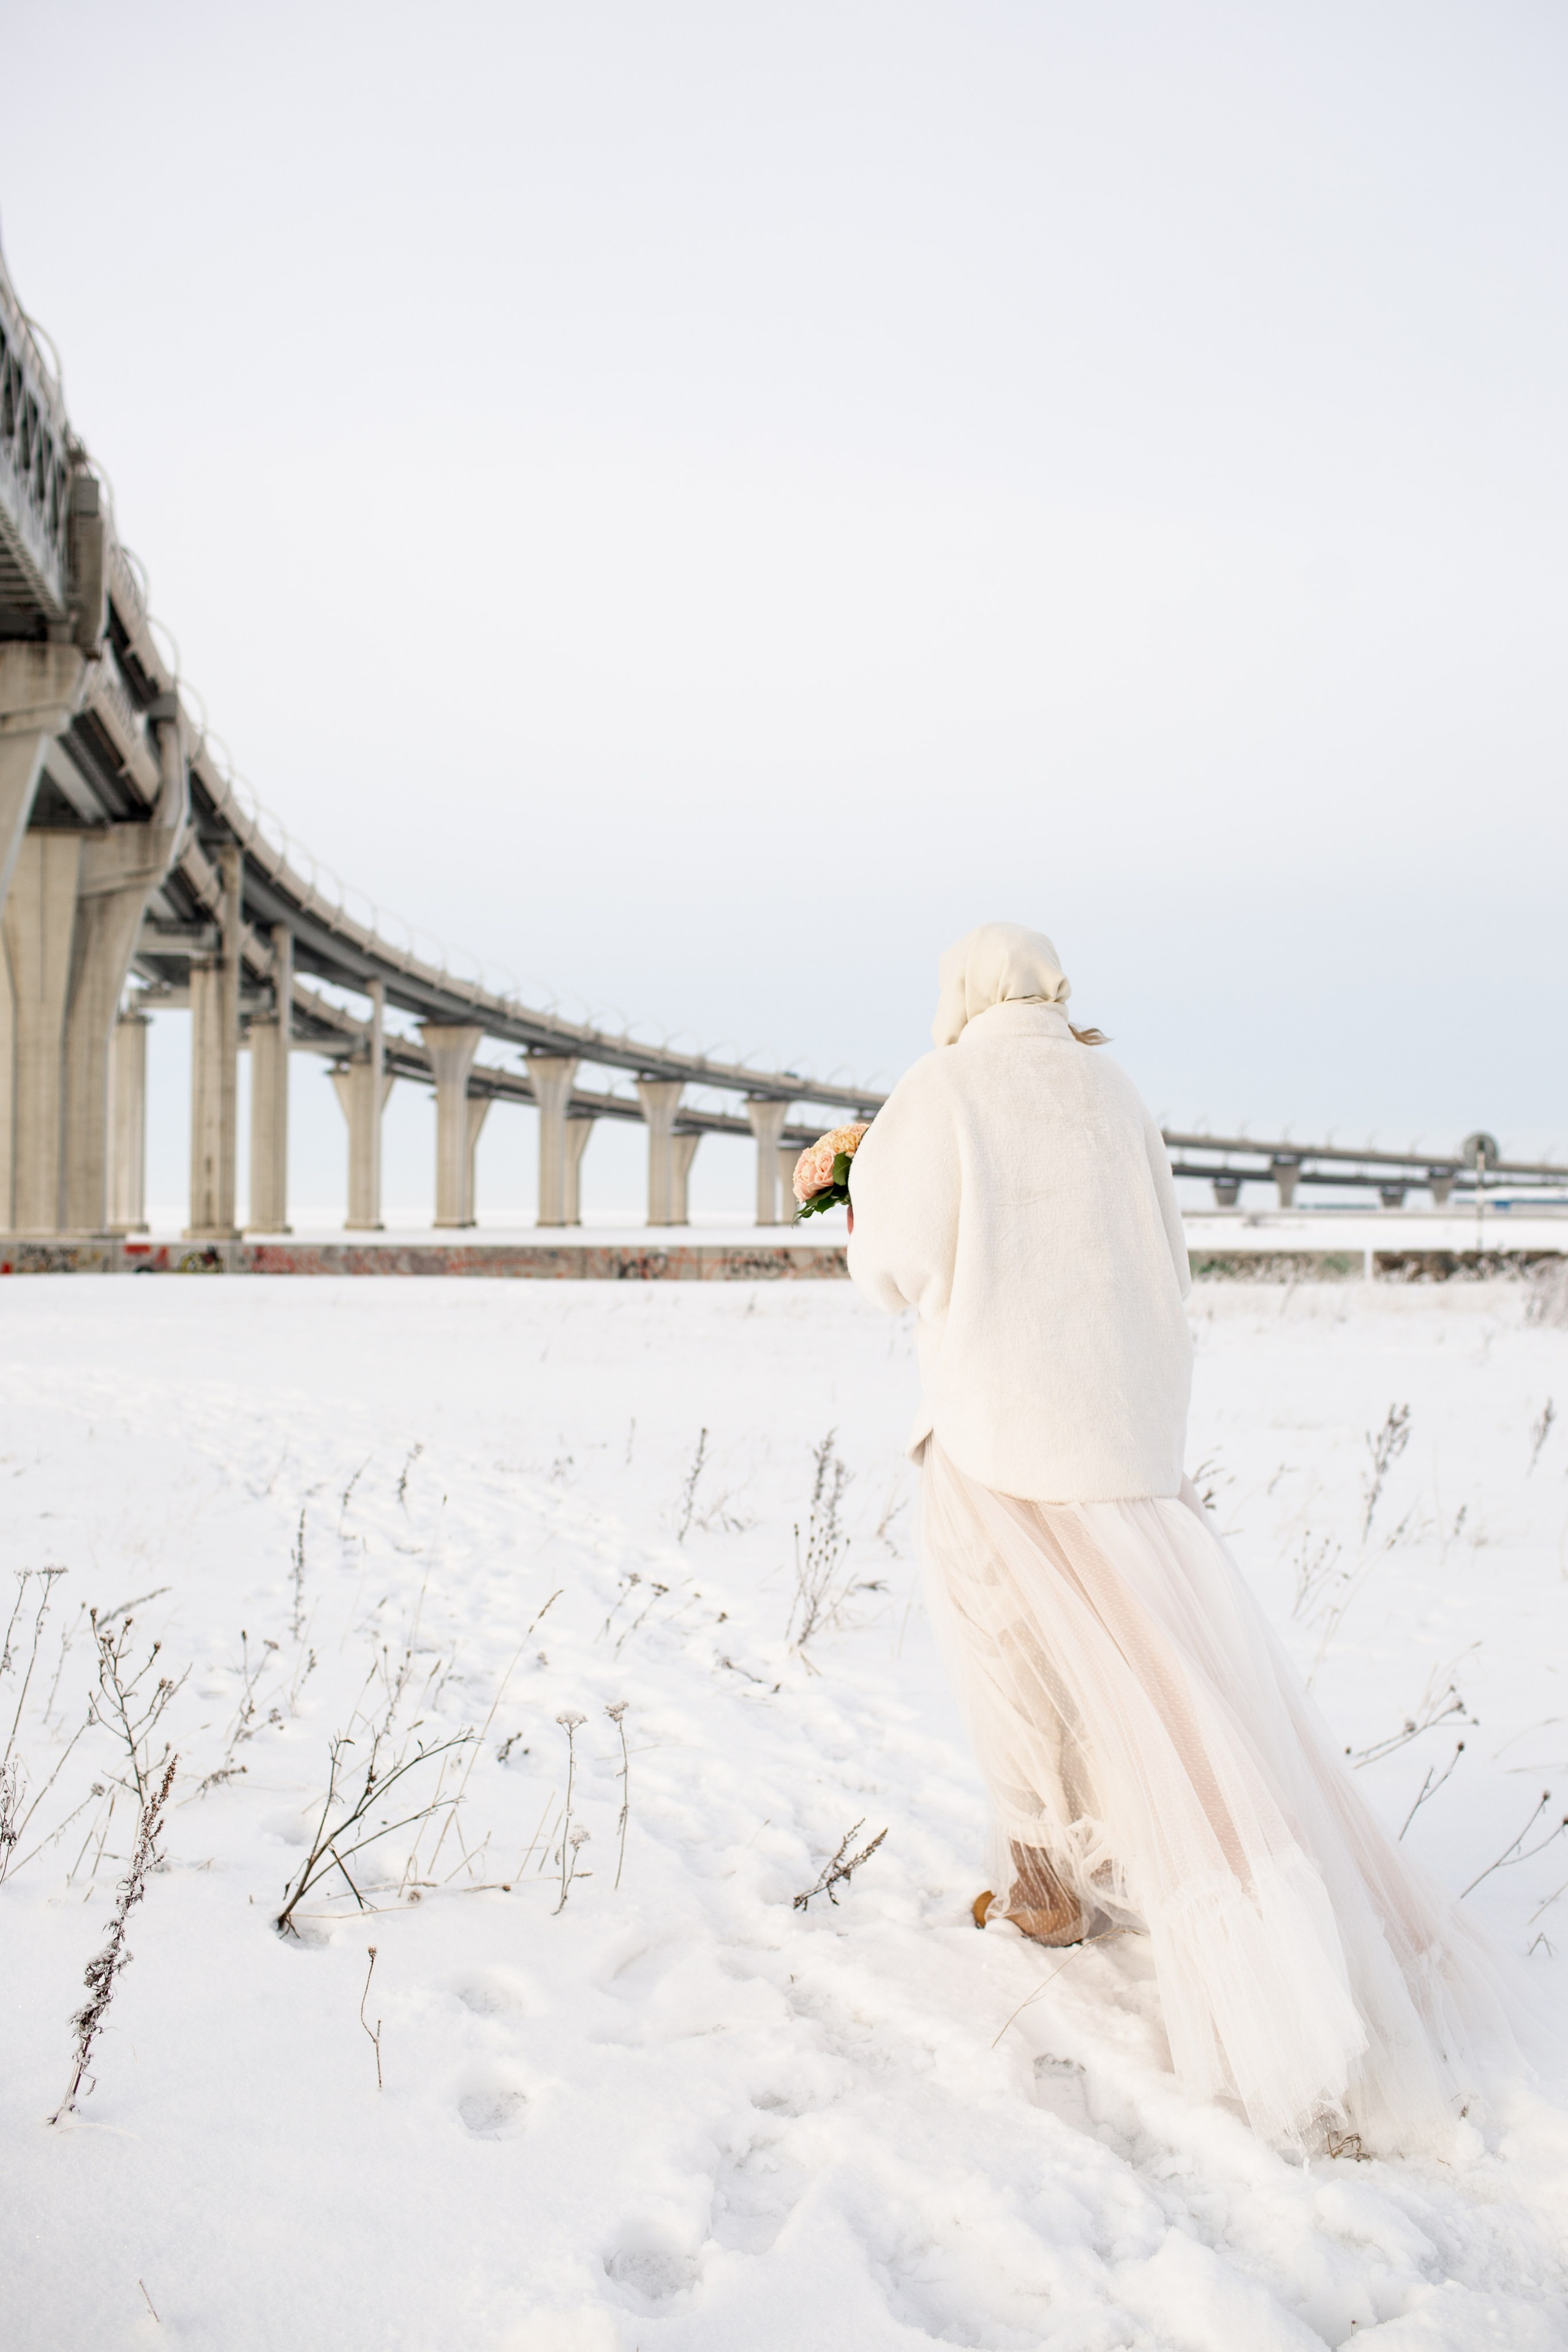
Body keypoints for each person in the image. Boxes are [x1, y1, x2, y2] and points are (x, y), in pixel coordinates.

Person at [845, 921, 1539, 2155]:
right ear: (1049, 989)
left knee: (1008, 1653)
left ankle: (1046, 1888)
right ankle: (1221, 1901)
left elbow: (894, 1268)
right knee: (1167, 1680)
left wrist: (845, 1190)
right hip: (1123, 1432)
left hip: (998, 1424)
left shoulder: (937, 1084)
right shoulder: (1113, 1087)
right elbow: (1165, 1258)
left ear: (958, 993)